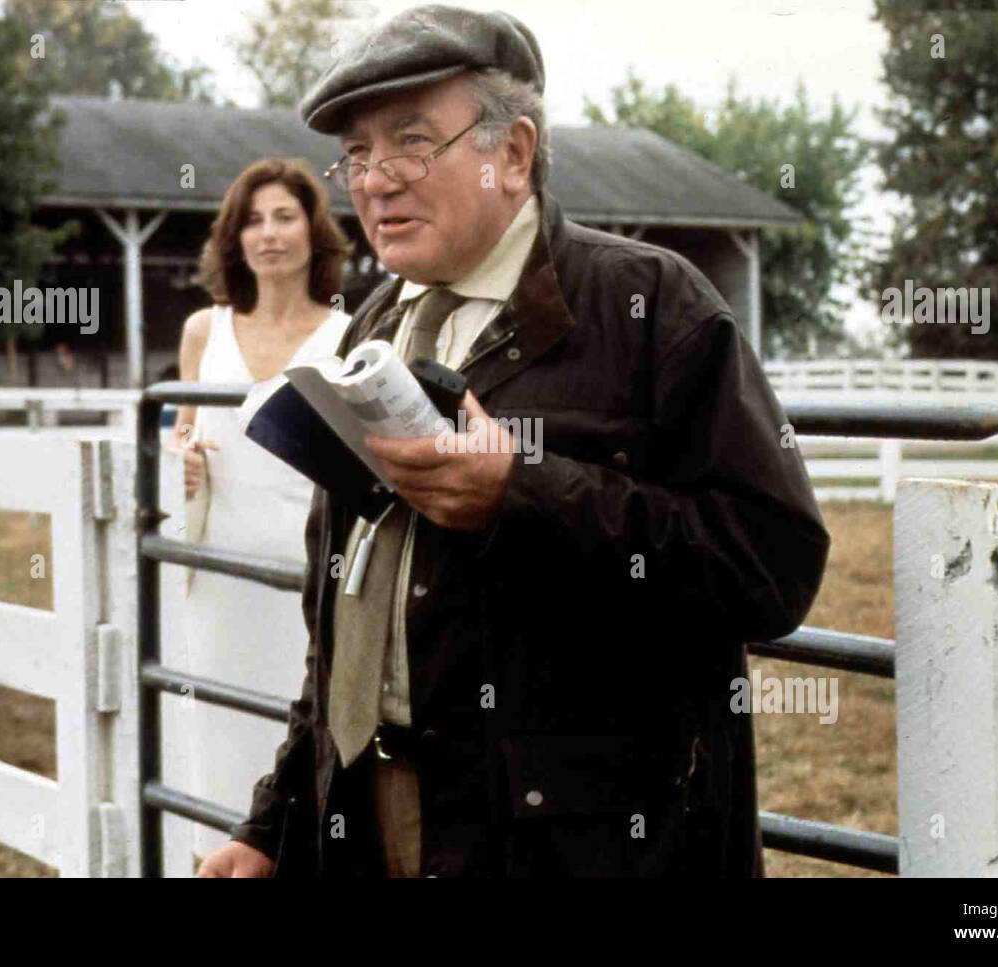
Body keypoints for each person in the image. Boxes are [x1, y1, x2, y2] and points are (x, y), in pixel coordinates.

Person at [200, 4, 830, 879]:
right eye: (358, 154)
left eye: (413, 142)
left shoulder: (648, 307)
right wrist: (272, 827)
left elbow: (773, 567)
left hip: (576, 847)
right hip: (373, 821)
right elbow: (342, 627)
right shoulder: (372, 330)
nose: (375, 181)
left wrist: (523, 493)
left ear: (514, 152)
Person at [169, 157, 352, 868]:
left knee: (303, 734)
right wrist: (180, 457)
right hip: (221, 576)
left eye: (284, 215)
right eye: (252, 219)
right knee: (217, 733)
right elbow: (184, 430)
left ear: (314, 230)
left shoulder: (348, 335)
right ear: (233, 237)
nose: (268, 233)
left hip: (309, 571)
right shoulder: (202, 330)